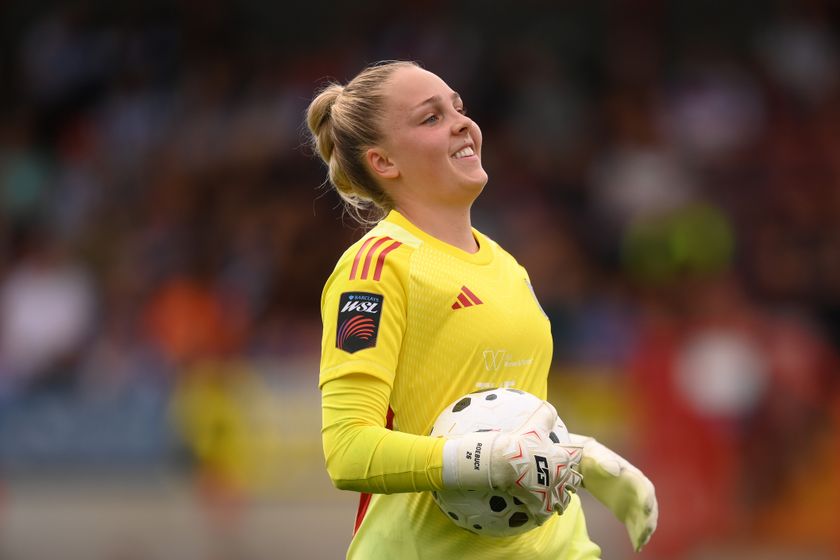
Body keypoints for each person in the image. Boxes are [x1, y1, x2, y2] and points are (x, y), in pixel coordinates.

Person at [307, 60, 658, 559]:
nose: (462, 123)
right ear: (384, 162)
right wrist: (482, 459)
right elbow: (349, 452)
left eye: (459, 107)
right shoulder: (375, 268)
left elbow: (501, 420)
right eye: (431, 118)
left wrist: (581, 457)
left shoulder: (508, 265)